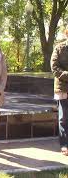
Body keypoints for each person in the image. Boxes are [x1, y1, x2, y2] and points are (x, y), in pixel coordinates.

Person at [50, 25, 68, 156]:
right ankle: (64, 144)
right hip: (63, 87)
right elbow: (54, 67)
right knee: (64, 118)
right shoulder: (59, 48)